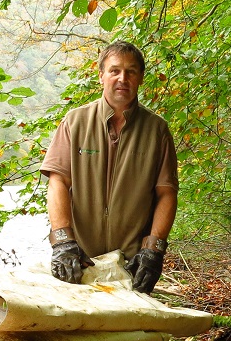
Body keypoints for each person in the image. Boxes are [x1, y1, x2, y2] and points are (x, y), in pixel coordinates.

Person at [40, 40, 178, 294]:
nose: (122, 78)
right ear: (101, 75)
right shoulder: (75, 122)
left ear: (140, 78)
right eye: (114, 70)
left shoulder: (157, 130)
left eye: (131, 71)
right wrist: (62, 242)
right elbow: (57, 182)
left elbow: (166, 193)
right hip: (79, 260)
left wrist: (153, 250)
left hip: (130, 265)